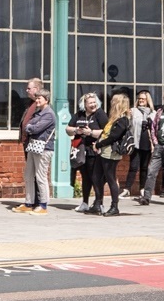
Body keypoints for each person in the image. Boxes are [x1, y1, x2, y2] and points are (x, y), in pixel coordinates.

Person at [86, 93, 133, 216]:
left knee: (110, 178)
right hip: (103, 151)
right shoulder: (113, 119)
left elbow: (113, 137)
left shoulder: (123, 119)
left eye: (114, 102)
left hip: (111, 152)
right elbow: (105, 133)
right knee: (96, 177)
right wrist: (98, 143)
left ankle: (114, 206)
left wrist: (99, 145)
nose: (111, 103)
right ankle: (98, 203)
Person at [15, 83, 56, 214]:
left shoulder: (49, 114)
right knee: (28, 175)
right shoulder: (39, 113)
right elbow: (28, 124)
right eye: (37, 98)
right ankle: (29, 202)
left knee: (40, 176)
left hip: (44, 148)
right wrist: (31, 126)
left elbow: (34, 128)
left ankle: (43, 205)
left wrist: (30, 127)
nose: (37, 100)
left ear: (47, 100)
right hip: (34, 147)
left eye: (40, 98)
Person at [66, 93, 106, 207]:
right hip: (81, 150)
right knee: (85, 177)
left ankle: (99, 203)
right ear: (84, 104)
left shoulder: (100, 114)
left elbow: (106, 132)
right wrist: (76, 130)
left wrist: (91, 133)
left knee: (95, 177)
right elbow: (67, 129)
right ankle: (85, 202)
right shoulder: (79, 114)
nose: (93, 105)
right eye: (90, 103)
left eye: (94, 102)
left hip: (94, 150)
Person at [126, 90, 155, 198]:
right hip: (136, 142)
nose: (141, 101)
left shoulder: (153, 113)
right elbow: (129, 125)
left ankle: (142, 189)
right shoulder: (133, 111)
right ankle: (127, 188)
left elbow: (154, 128)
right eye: (140, 99)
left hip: (147, 142)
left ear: (148, 101)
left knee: (144, 167)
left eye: (143, 99)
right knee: (133, 166)